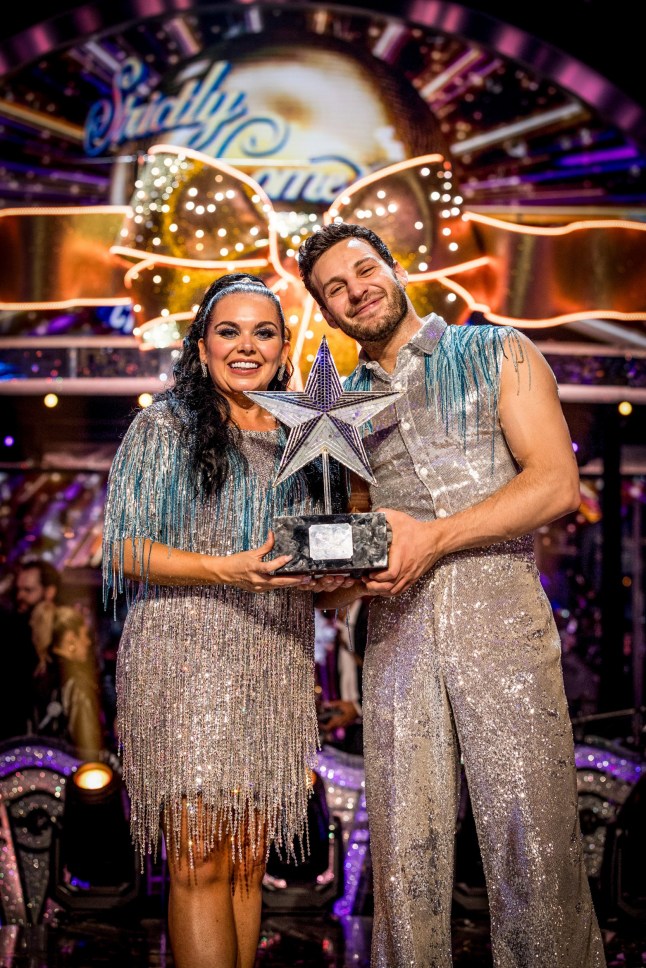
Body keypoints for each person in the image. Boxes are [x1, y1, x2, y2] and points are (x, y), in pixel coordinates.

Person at [298, 224, 606, 967]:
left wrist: (434, 537)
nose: (355, 290)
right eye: (334, 289)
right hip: (399, 641)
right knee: (408, 858)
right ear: (329, 314)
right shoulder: (345, 415)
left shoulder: (497, 350)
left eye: (363, 270)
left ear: (396, 270)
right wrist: (311, 578)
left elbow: (556, 486)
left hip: (502, 628)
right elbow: (365, 543)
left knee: (535, 845)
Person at [102, 273, 349, 968]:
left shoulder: (306, 438)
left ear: (283, 344)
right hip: (184, 658)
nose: (247, 345)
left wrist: (333, 581)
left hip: (272, 658)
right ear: (202, 346)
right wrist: (225, 569)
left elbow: (313, 559)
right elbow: (123, 548)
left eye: (263, 332)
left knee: (244, 861)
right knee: (199, 860)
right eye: (230, 331)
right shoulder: (164, 425)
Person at [0, 557, 61, 741]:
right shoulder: (13, 626)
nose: (20, 596)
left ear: (49, 592)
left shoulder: (61, 630)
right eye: (18, 590)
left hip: (50, 734)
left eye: (28, 590)